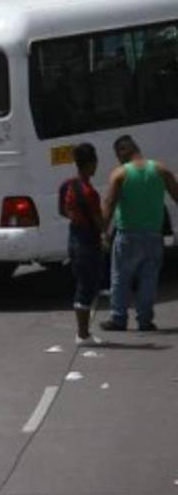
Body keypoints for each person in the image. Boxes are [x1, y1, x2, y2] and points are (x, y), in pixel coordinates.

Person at [99, 136, 178, 332]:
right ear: (137, 148)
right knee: (149, 279)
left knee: (121, 277)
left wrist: (102, 232)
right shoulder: (161, 169)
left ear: (121, 153)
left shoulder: (120, 174)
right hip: (154, 235)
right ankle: (145, 320)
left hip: (128, 235)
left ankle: (118, 318)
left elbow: (109, 203)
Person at [60, 143, 105, 346]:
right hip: (88, 240)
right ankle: (83, 334)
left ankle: (84, 332)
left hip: (74, 236)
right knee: (86, 286)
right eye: (95, 162)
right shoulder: (89, 192)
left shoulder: (68, 185)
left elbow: (63, 210)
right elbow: (99, 221)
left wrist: (76, 217)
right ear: (90, 164)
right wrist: (106, 234)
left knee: (82, 282)